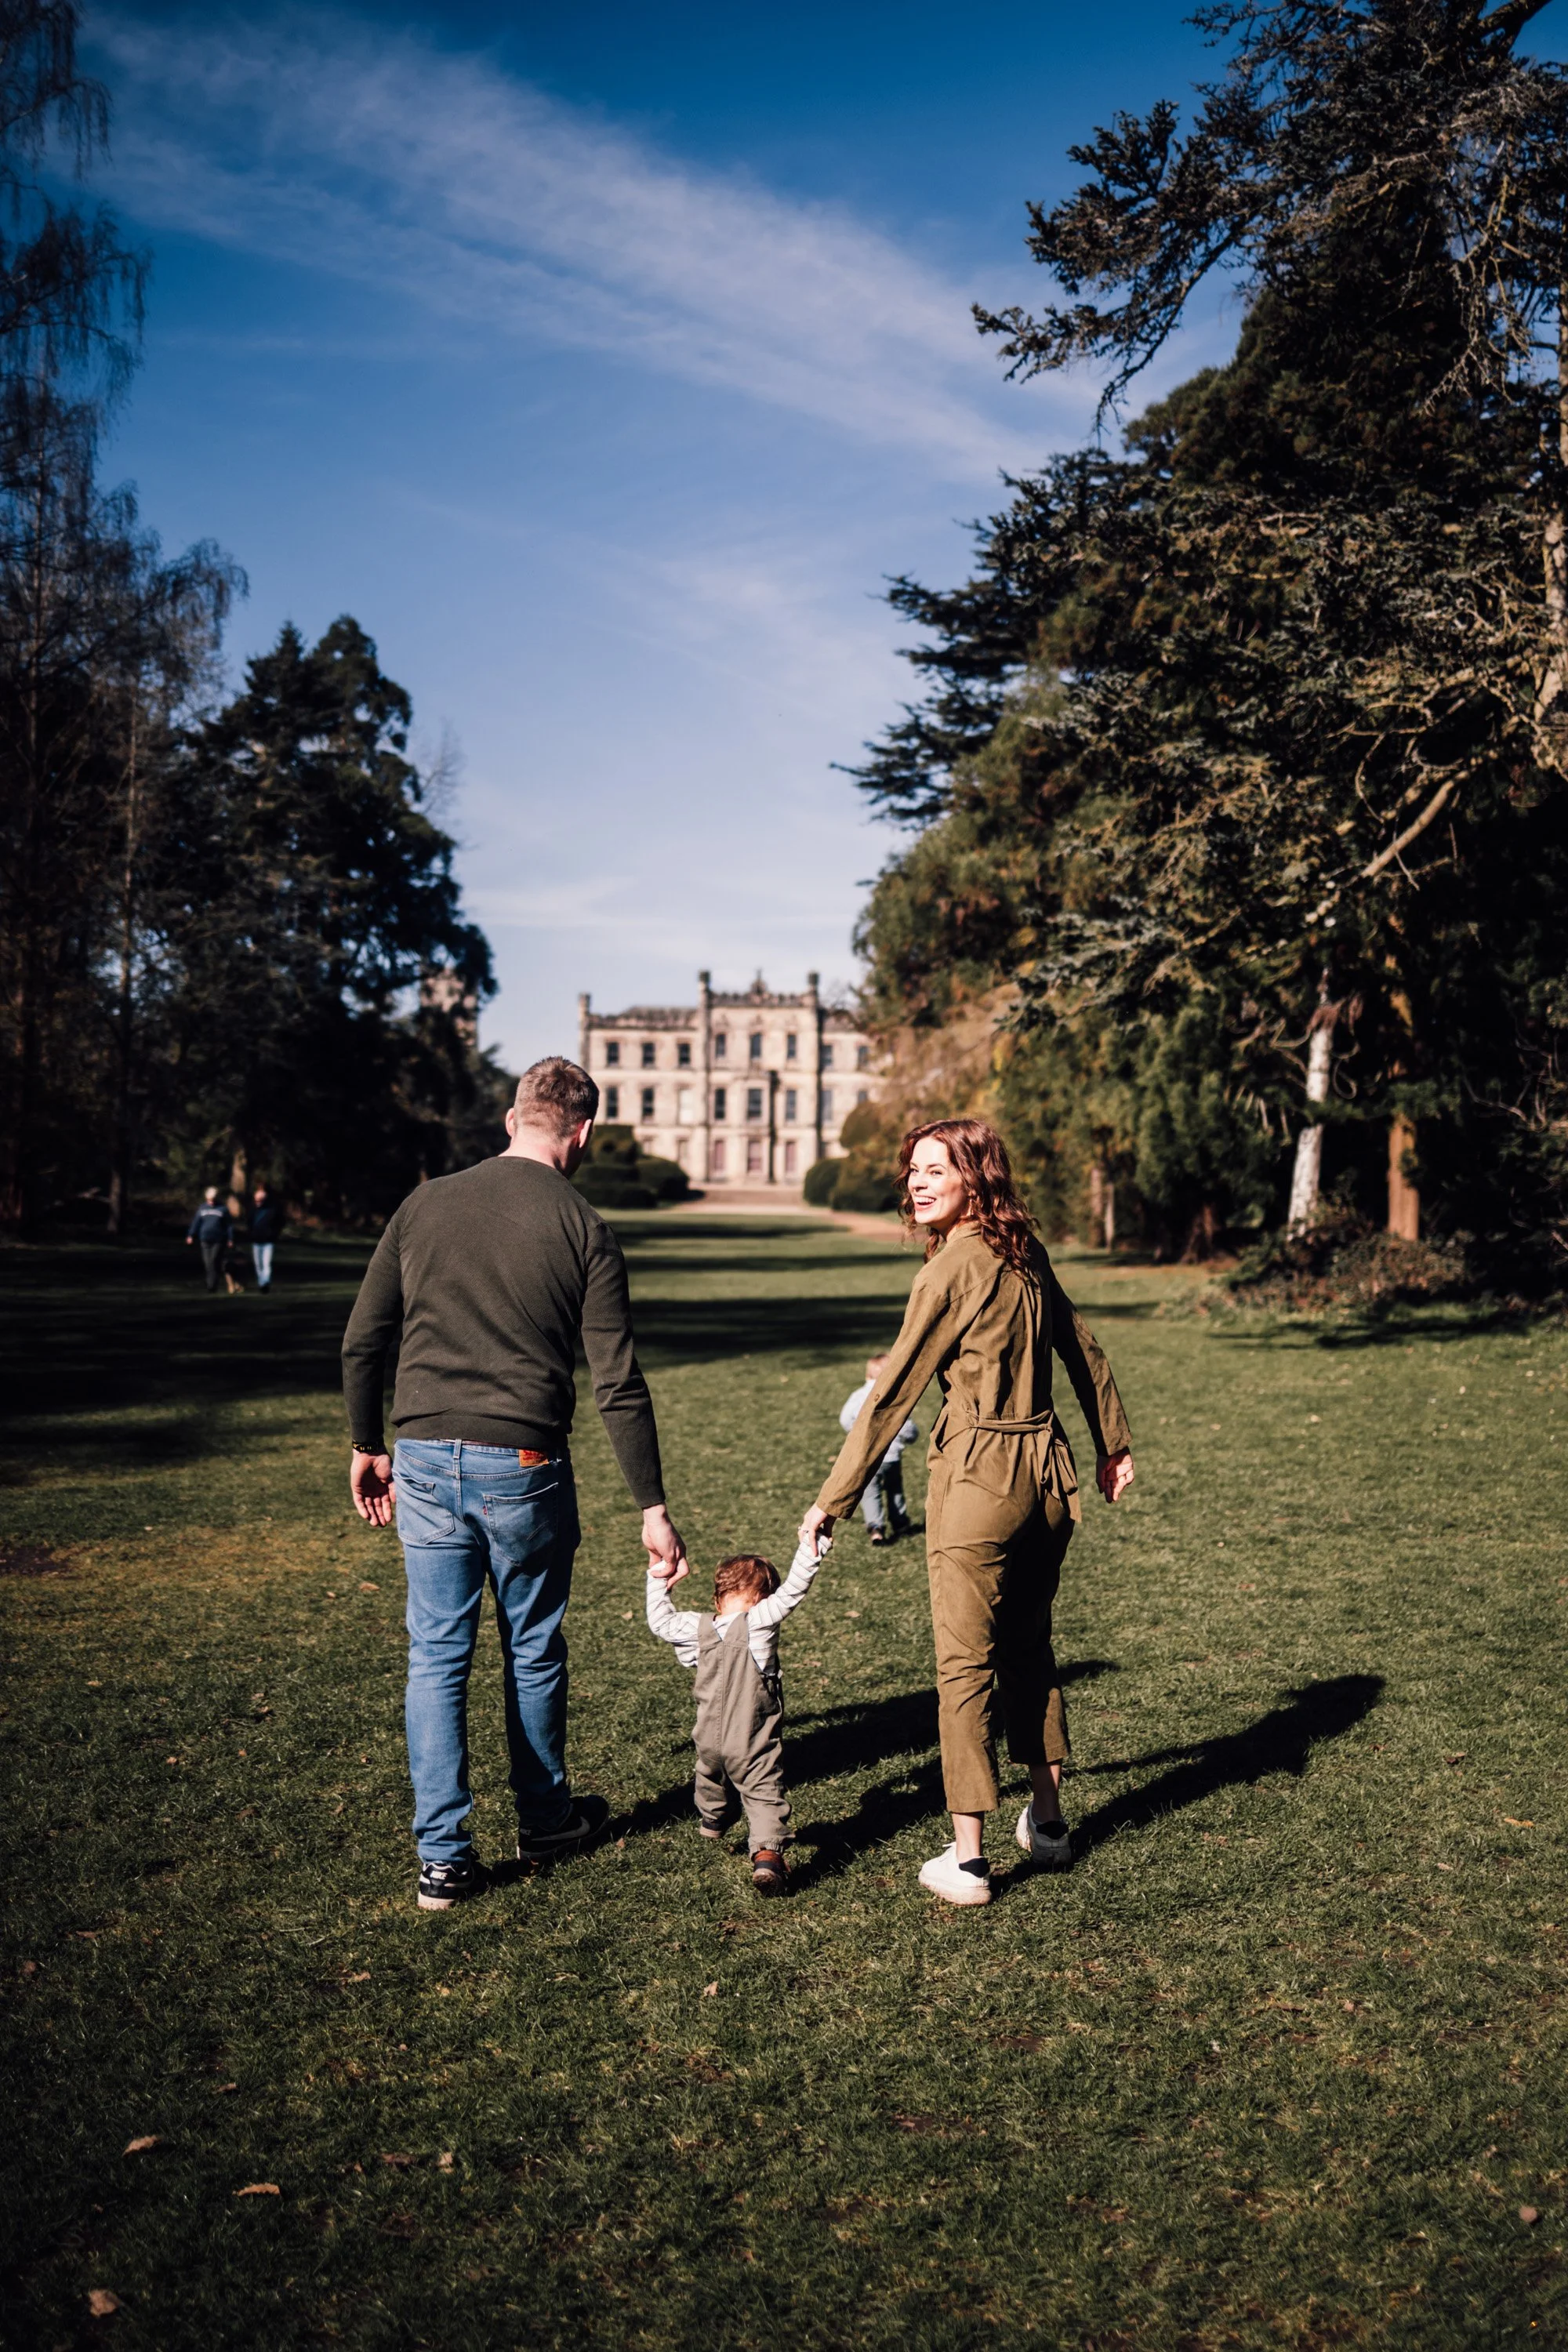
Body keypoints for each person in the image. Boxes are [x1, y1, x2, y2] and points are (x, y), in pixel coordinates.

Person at [341, 1054, 688, 1912]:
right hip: (524, 1464)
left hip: (423, 1455)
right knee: (531, 1647)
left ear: (511, 1118)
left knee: (437, 1655)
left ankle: (443, 1860)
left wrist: (365, 1443)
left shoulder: (424, 1203)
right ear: (584, 1133)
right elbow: (617, 1383)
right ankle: (544, 1821)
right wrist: (652, 1506)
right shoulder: (585, 1227)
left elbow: (363, 1340)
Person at [800, 1117, 1134, 1909]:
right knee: (1028, 1649)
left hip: (980, 1480)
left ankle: (970, 1860)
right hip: (1048, 1482)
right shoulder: (1024, 1251)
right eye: (912, 1171)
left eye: (934, 1170)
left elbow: (892, 1394)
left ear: (974, 1179)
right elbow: (1084, 1351)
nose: (916, 1185)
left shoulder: (949, 1269)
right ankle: (1047, 1823)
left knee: (963, 1670)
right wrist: (1113, 1444)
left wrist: (832, 1500)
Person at [645, 1536, 826, 1894]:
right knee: (762, 1791)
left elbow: (660, 1622)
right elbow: (794, 1590)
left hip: (707, 1739)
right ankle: (767, 1856)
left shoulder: (696, 1628)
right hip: (751, 1739)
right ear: (765, 1600)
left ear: (718, 1599)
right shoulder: (759, 1623)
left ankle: (714, 1820)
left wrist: (658, 1577)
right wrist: (811, 1549)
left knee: (710, 1777)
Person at [838, 1353, 916, 1544]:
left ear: (868, 1375)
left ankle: (876, 1528)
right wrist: (911, 1436)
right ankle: (900, 1522)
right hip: (891, 1457)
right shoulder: (895, 1397)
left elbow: (845, 1418)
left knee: (870, 1492)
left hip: (867, 1457)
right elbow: (906, 1427)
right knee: (894, 1489)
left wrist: (857, 1433)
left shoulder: (858, 1396)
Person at [185, 1188, 231, 1294]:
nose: (211, 1202)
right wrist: (191, 1235)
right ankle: (211, 1284)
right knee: (208, 1263)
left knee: (214, 1261)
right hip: (205, 1239)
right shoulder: (202, 1208)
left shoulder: (223, 1209)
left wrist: (230, 1238)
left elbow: (228, 1225)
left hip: (218, 1240)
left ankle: (212, 1285)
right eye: (210, 1200)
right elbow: (196, 1222)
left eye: (213, 1200)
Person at [249, 1187, 281, 1290]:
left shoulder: (272, 1211)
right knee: (258, 1264)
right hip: (256, 1241)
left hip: (268, 1242)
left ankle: (265, 1282)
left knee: (266, 1263)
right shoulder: (253, 1211)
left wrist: (274, 1235)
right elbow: (249, 1223)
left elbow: (279, 1223)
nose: (258, 1202)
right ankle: (261, 1282)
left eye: (260, 1200)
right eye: (257, 1200)